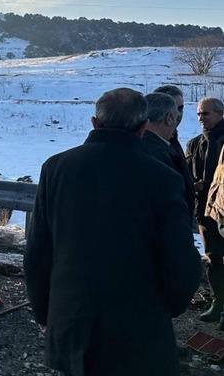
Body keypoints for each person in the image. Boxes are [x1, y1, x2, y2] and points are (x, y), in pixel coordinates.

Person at [24, 88, 201, 376]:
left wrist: (45, 312)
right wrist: (171, 305)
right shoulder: (162, 178)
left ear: (95, 123)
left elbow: (38, 251)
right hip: (138, 329)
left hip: (73, 323)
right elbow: (180, 258)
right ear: (143, 128)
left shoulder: (56, 168)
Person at [187, 97, 224, 324]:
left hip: (222, 212)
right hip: (204, 212)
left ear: (220, 114)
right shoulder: (194, 144)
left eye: (206, 114)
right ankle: (218, 302)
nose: (201, 118)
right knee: (213, 260)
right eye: (199, 114)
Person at [154, 85, 194, 212]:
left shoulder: (173, 138)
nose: (177, 114)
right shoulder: (152, 143)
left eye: (180, 108)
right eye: (172, 108)